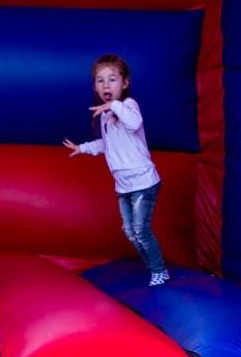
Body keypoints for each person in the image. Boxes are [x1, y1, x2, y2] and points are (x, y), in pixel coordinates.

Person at [62, 53, 169, 286]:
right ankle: (153, 266)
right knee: (130, 232)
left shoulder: (128, 106)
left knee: (140, 230)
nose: (106, 84)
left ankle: (159, 271)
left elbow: (134, 123)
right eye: (100, 80)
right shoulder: (105, 115)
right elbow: (107, 144)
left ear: (125, 83)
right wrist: (83, 148)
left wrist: (114, 105)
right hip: (123, 185)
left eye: (112, 79)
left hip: (143, 182)